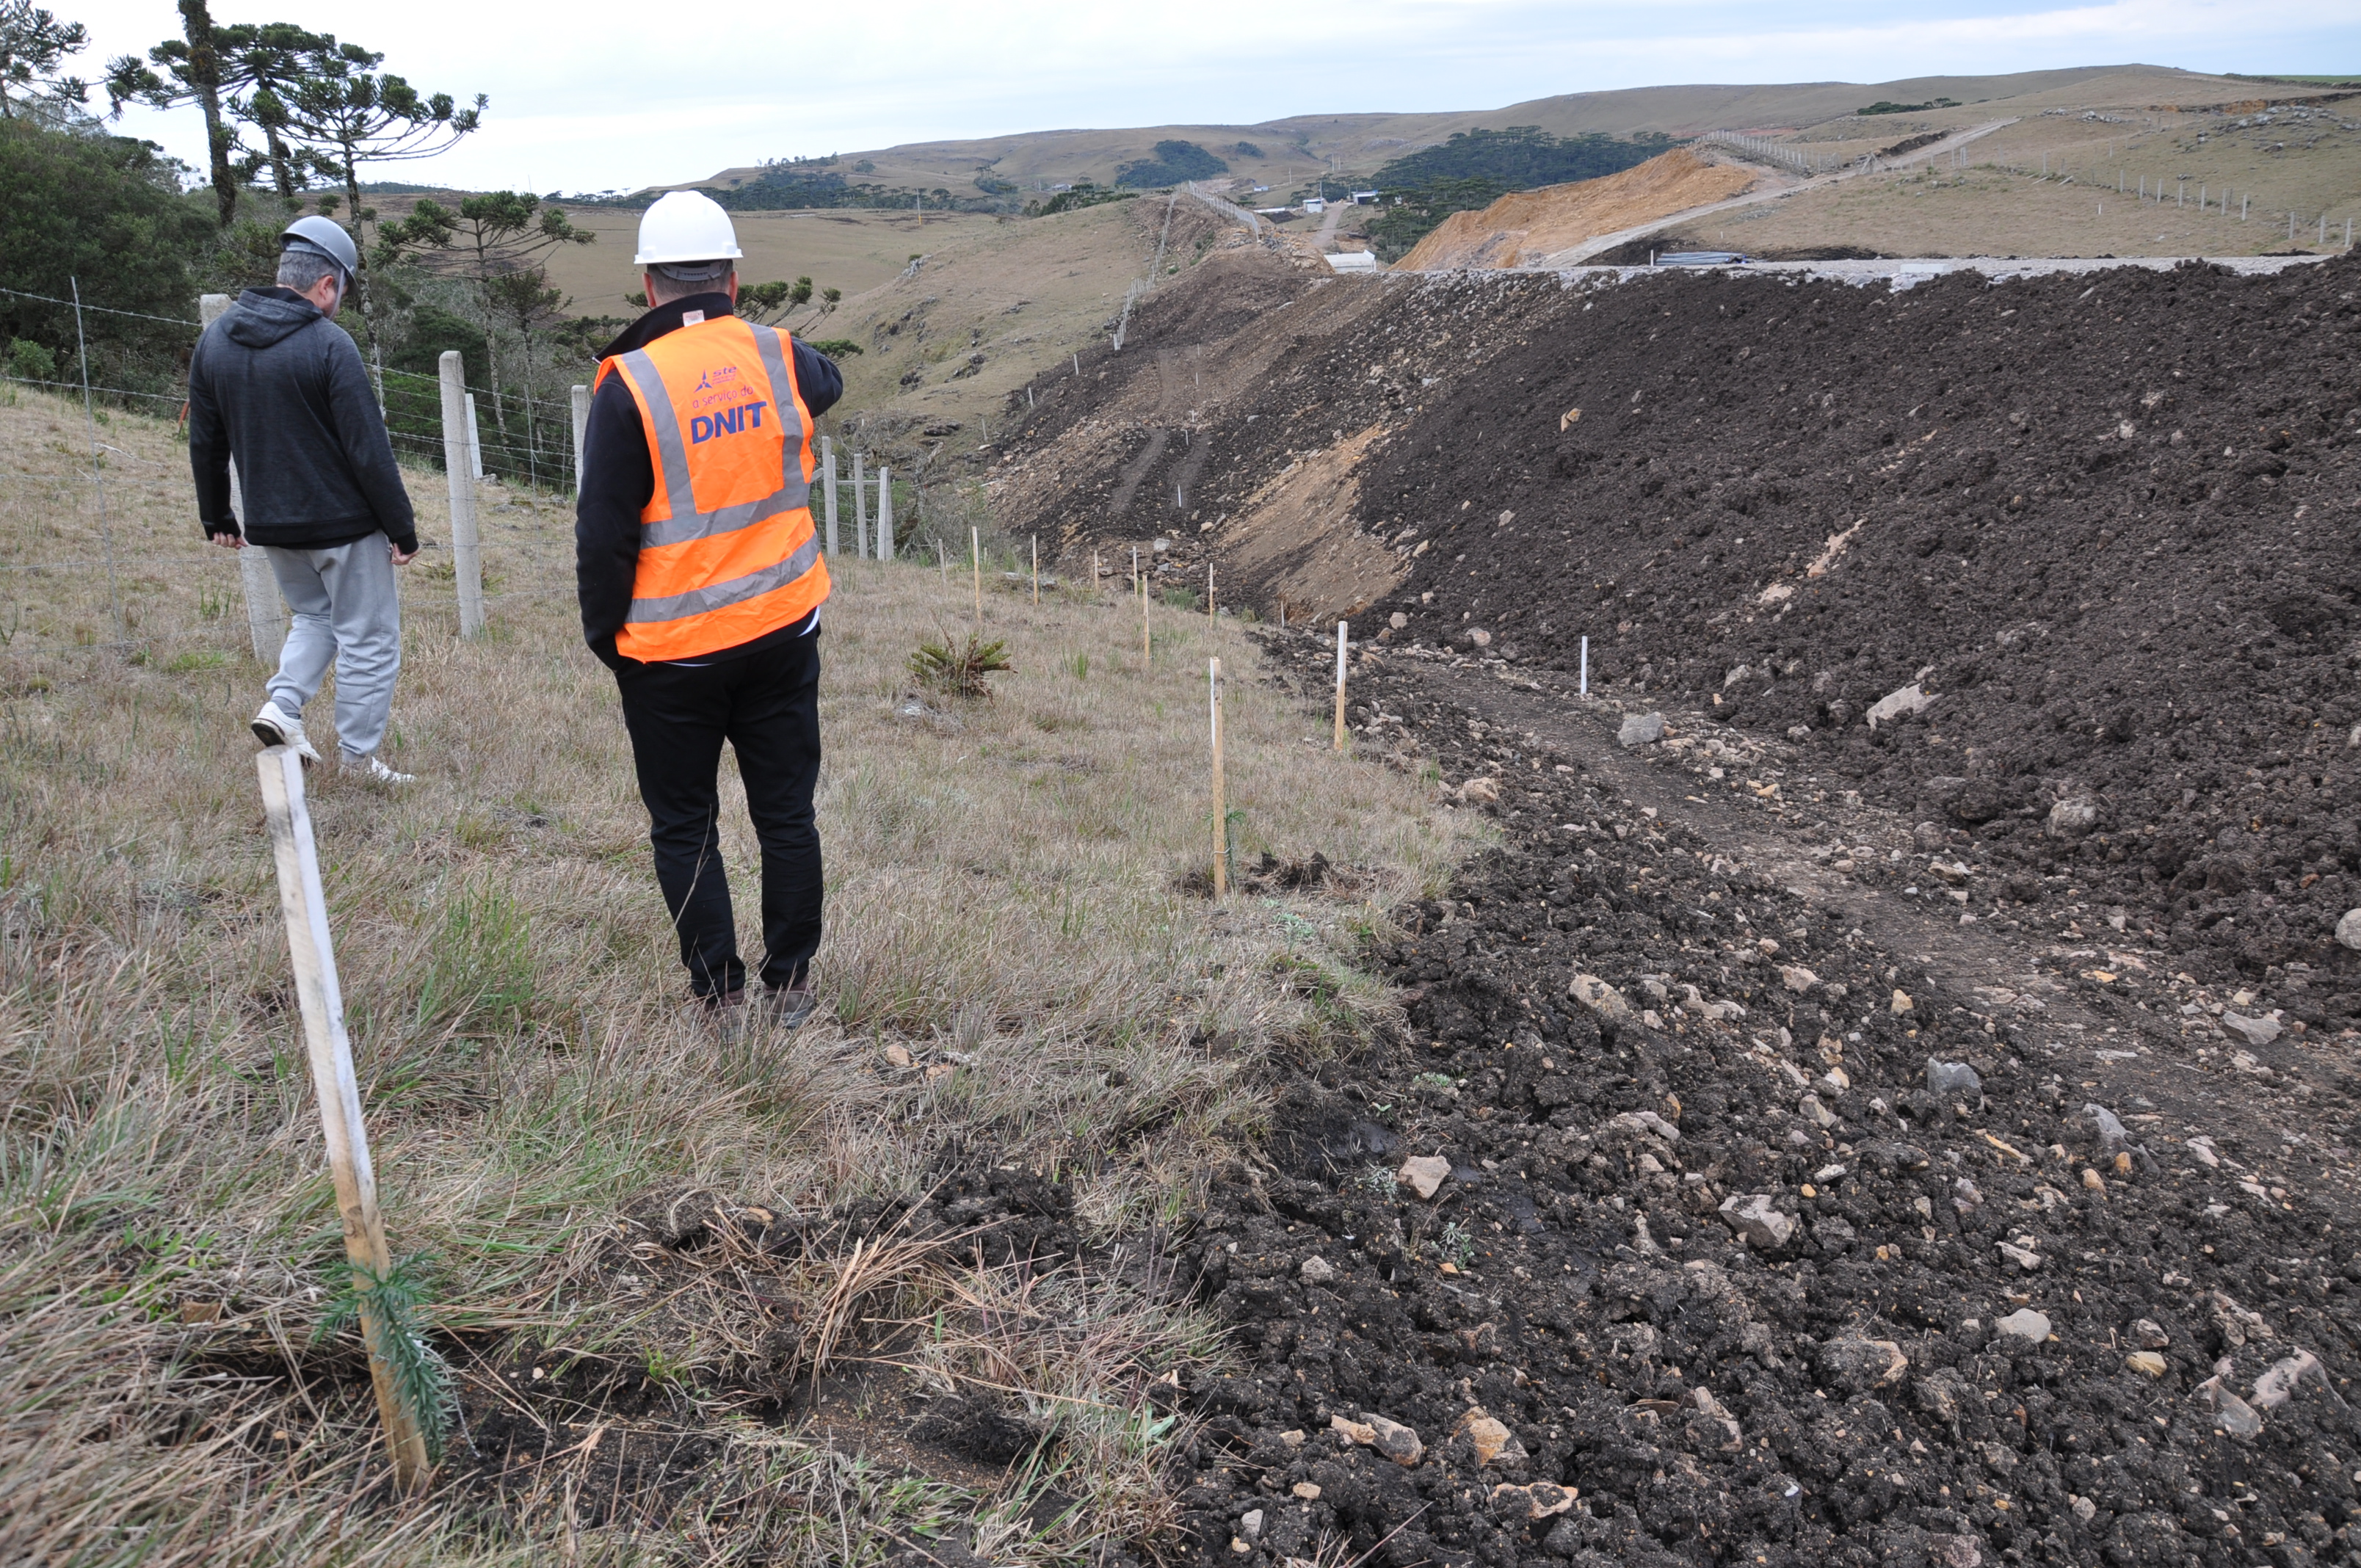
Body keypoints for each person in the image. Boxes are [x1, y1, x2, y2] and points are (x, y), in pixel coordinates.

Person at [576, 191, 842, 1020]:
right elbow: (827, 383)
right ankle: (792, 980)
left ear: (649, 285)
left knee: (685, 826)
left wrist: (605, 636)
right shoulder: (779, 354)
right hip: (782, 632)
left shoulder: (629, 385)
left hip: (672, 656)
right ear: (732, 276)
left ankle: (721, 995)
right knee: (786, 814)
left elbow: (603, 536)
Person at [188, 216, 418, 784]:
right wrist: (401, 527)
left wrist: (218, 514)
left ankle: (282, 708)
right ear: (325, 285)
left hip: (272, 523)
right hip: (343, 524)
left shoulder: (215, 339)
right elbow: (368, 448)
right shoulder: (327, 343)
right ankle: (359, 762)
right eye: (340, 291)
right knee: (369, 638)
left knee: (314, 618)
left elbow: (206, 439)